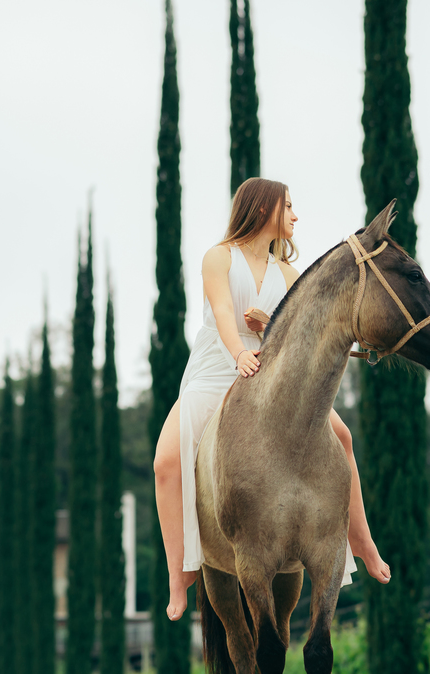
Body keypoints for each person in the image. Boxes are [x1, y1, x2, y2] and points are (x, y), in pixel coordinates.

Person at [153, 177, 391, 622]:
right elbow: (223, 311)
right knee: (166, 462)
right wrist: (240, 351)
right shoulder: (218, 257)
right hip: (217, 365)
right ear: (264, 210)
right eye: (289, 207)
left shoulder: (288, 275)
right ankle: (178, 573)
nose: (296, 216)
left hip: (271, 372)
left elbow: (299, 335)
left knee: (342, 437)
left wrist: (267, 329)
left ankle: (361, 542)